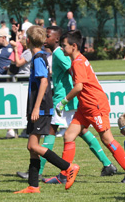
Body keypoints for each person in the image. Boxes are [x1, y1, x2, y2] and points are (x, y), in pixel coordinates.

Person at [18, 26, 116, 184]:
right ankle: (107, 164)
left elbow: (72, 70)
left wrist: (70, 94)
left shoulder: (58, 53)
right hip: (65, 97)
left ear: (56, 39)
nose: (45, 38)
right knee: (82, 131)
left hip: (62, 98)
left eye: (48, 36)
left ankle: (38, 172)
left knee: (50, 131)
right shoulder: (53, 53)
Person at [56, 30, 125, 190]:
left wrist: (63, 101)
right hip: (85, 106)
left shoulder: (78, 63)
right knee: (69, 135)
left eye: (64, 46)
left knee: (107, 139)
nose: (61, 49)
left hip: (95, 105)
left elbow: (79, 86)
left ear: (74, 46)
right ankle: (64, 174)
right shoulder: (78, 60)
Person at [15, 26, 80, 194]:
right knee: (32, 147)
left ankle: (69, 167)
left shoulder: (38, 58)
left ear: (28, 41)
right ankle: (33, 186)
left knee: (33, 146)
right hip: (39, 108)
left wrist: (36, 107)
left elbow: (44, 81)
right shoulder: (41, 56)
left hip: (41, 109)